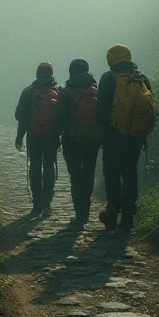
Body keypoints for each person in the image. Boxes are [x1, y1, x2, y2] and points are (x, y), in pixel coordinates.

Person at [96, 44, 156, 232]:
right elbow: (151, 111)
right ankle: (128, 217)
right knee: (130, 173)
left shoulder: (108, 78)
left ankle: (112, 213)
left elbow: (100, 110)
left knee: (112, 173)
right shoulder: (142, 78)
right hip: (136, 137)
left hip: (114, 136)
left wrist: (106, 127)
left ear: (111, 59)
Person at [49, 58, 101, 224]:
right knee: (89, 171)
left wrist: (55, 137)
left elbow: (58, 117)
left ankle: (80, 210)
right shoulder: (96, 89)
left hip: (72, 138)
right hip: (93, 139)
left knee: (76, 174)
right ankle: (85, 206)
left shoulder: (66, 91)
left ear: (71, 72)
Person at [15, 61, 59, 215]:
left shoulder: (28, 92)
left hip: (33, 134)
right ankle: (47, 201)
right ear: (51, 74)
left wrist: (19, 137)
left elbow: (21, 116)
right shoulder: (58, 91)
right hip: (51, 136)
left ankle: (36, 203)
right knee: (49, 166)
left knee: (35, 166)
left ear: (37, 74)